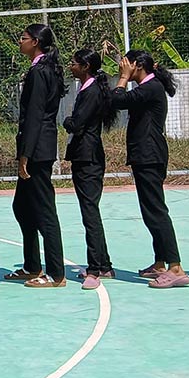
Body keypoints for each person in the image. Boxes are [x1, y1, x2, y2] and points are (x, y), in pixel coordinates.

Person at [110, 49, 189, 289]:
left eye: (126, 64)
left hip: (149, 156)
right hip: (145, 155)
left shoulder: (150, 87)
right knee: (150, 210)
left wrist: (123, 78)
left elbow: (117, 100)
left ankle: (176, 268)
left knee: (156, 211)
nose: (122, 67)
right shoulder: (148, 87)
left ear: (137, 65)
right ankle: (160, 263)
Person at [11, 24, 67, 289]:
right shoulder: (43, 69)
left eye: (23, 38)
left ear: (35, 42)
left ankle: (56, 274)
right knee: (22, 207)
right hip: (38, 144)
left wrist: (26, 154)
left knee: (45, 210)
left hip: (38, 148)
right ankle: (32, 265)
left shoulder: (40, 71)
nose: (19, 42)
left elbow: (34, 115)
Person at [63, 48, 119, 290]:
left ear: (85, 67)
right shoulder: (87, 88)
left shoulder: (92, 91)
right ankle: (104, 264)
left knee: (90, 214)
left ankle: (94, 269)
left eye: (74, 63)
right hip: (84, 156)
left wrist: (67, 121)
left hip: (89, 158)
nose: (71, 66)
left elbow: (77, 124)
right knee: (90, 211)